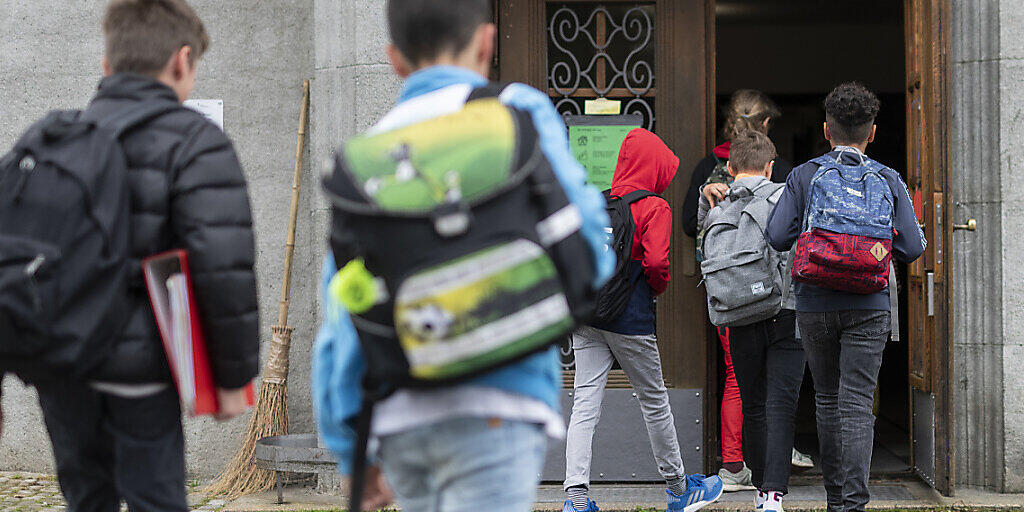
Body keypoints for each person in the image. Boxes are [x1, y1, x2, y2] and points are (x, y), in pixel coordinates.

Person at [310, 1, 615, 511]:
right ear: (487, 44)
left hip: (401, 412)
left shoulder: (373, 155)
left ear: (394, 59)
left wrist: (349, 449)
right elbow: (586, 245)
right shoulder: (518, 112)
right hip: (500, 398)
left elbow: (342, 313)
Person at [30, 1, 260, 511]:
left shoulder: (52, 139)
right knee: (155, 500)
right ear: (182, 62)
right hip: (140, 370)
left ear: (107, 66)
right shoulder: (197, 142)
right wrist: (231, 377)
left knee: (86, 499)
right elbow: (223, 268)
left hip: (61, 367)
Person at [766, 82, 926, 512]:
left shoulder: (803, 175)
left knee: (827, 398)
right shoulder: (888, 179)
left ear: (825, 130)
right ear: (872, 133)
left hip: (815, 303)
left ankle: (835, 496)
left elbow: (778, 236)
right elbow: (912, 248)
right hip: (871, 305)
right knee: (857, 401)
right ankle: (852, 505)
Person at [563, 128, 723, 512]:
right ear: (653, 168)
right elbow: (656, 263)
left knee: (584, 402)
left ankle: (575, 498)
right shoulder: (654, 207)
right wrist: (655, 287)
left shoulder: (598, 202)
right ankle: (678, 488)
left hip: (586, 315)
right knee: (654, 401)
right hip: (629, 318)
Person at [681, 89, 806, 492]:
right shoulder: (783, 177)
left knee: (741, 383)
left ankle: (740, 465)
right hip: (779, 301)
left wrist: (706, 199)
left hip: (729, 298)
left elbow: (689, 226)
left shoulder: (709, 170)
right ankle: (769, 474)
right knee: (778, 391)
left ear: (732, 167)